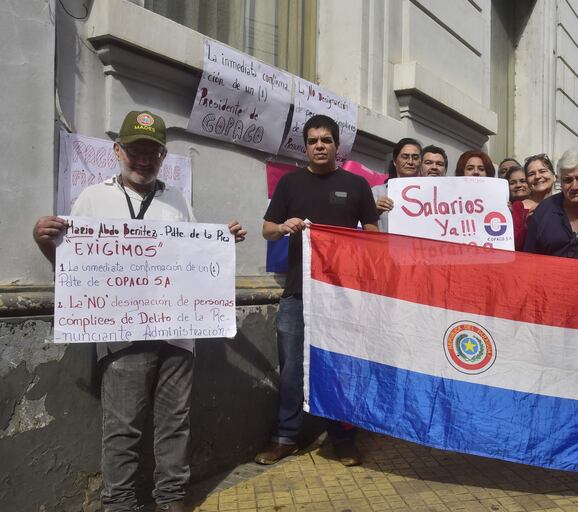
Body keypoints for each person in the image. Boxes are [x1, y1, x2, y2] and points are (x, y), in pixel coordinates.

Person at [33, 110, 246, 512]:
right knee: (123, 427)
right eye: (135, 150)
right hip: (122, 338)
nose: (143, 159)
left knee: (174, 422)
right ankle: (118, 503)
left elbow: (193, 259)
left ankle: (171, 500)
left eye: (152, 151)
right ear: (118, 151)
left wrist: (222, 243)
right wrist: (45, 242)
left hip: (177, 334)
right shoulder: (93, 197)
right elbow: (74, 265)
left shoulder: (177, 198)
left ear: (163, 155)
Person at [256, 114, 380, 467]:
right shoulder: (290, 184)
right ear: (306, 146)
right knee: (292, 368)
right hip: (297, 293)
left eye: (326, 140)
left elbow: (372, 233)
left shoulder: (356, 186)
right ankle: (285, 438)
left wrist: (352, 243)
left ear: (337, 146)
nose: (320, 146)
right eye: (313, 141)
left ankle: (343, 439)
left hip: (342, 295)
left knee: (339, 367)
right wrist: (283, 226)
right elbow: (266, 230)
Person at [372, 137, 422, 231]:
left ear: (420, 162)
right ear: (395, 161)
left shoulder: (429, 193)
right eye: (405, 157)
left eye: (415, 157)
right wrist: (374, 210)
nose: (410, 162)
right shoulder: (377, 192)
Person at [504, 164, 529, 250]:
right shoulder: (503, 208)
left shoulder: (541, 205)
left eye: (523, 181)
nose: (518, 185)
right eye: (512, 183)